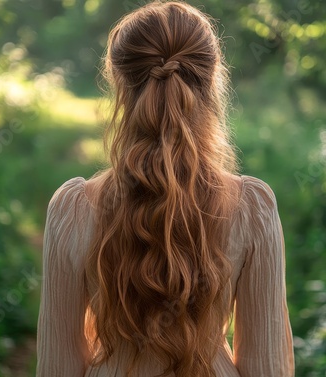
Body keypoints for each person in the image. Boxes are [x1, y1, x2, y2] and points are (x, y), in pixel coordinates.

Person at [36, 1, 294, 376]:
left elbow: (57, 367)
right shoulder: (252, 208)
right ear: (211, 81)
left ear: (121, 86)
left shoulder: (72, 209)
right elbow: (266, 366)